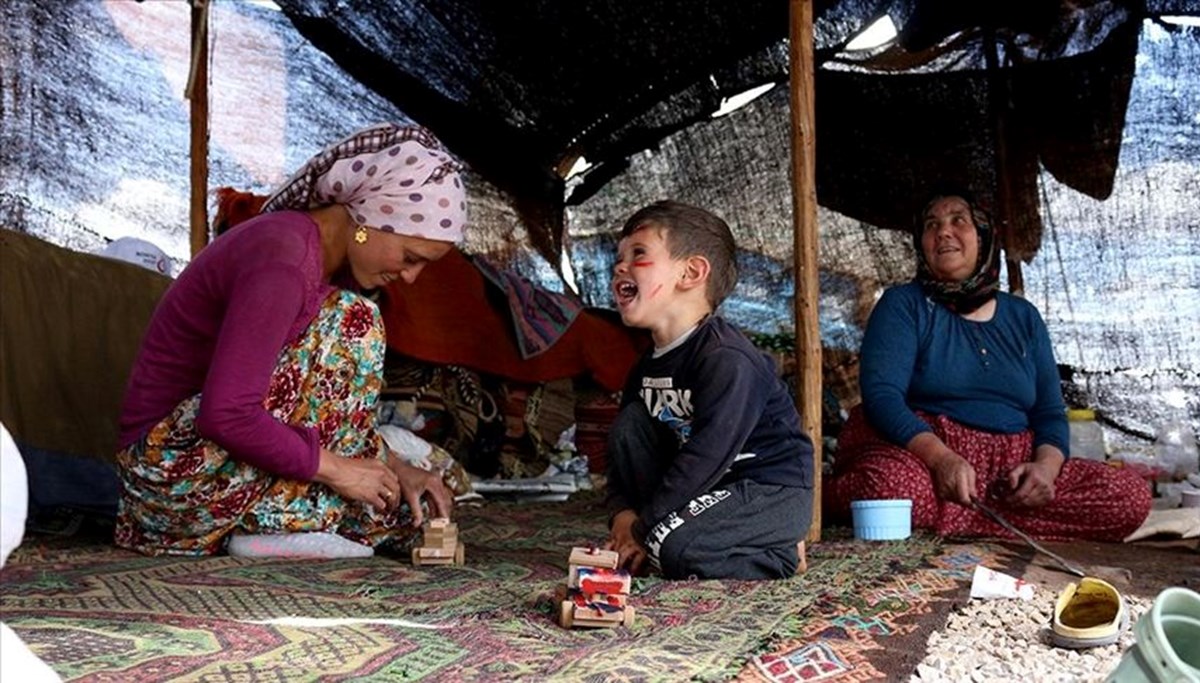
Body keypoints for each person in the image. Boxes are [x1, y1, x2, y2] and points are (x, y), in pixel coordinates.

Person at [114, 123, 465, 557]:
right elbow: (225, 415)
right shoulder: (284, 260)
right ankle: (280, 526)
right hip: (168, 476)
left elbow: (315, 411)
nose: (410, 277)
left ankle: (281, 520)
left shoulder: (314, 261)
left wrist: (393, 467)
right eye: (410, 257)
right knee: (355, 320)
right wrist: (339, 471)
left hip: (207, 476)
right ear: (368, 222)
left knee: (397, 516)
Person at [826, 187, 1151, 541]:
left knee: (1129, 497)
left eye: (958, 221)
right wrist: (941, 460)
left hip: (1009, 471)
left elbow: (1049, 412)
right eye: (931, 225)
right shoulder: (905, 305)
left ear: (983, 237)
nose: (943, 231)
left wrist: (1044, 470)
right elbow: (882, 396)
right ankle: (840, 499)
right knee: (895, 492)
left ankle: (969, 519)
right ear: (921, 244)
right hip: (926, 456)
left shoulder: (1023, 317)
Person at [603, 200, 814, 580]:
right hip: (705, 493)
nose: (620, 266)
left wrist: (642, 530)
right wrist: (623, 515)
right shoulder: (646, 365)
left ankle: (780, 553)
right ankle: (666, 534)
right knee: (630, 422)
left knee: (671, 549)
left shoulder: (726, 358)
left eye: (638, 253)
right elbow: (624, 448)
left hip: (766, 492)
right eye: (619, 257)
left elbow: (705, 456)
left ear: (692, 272)